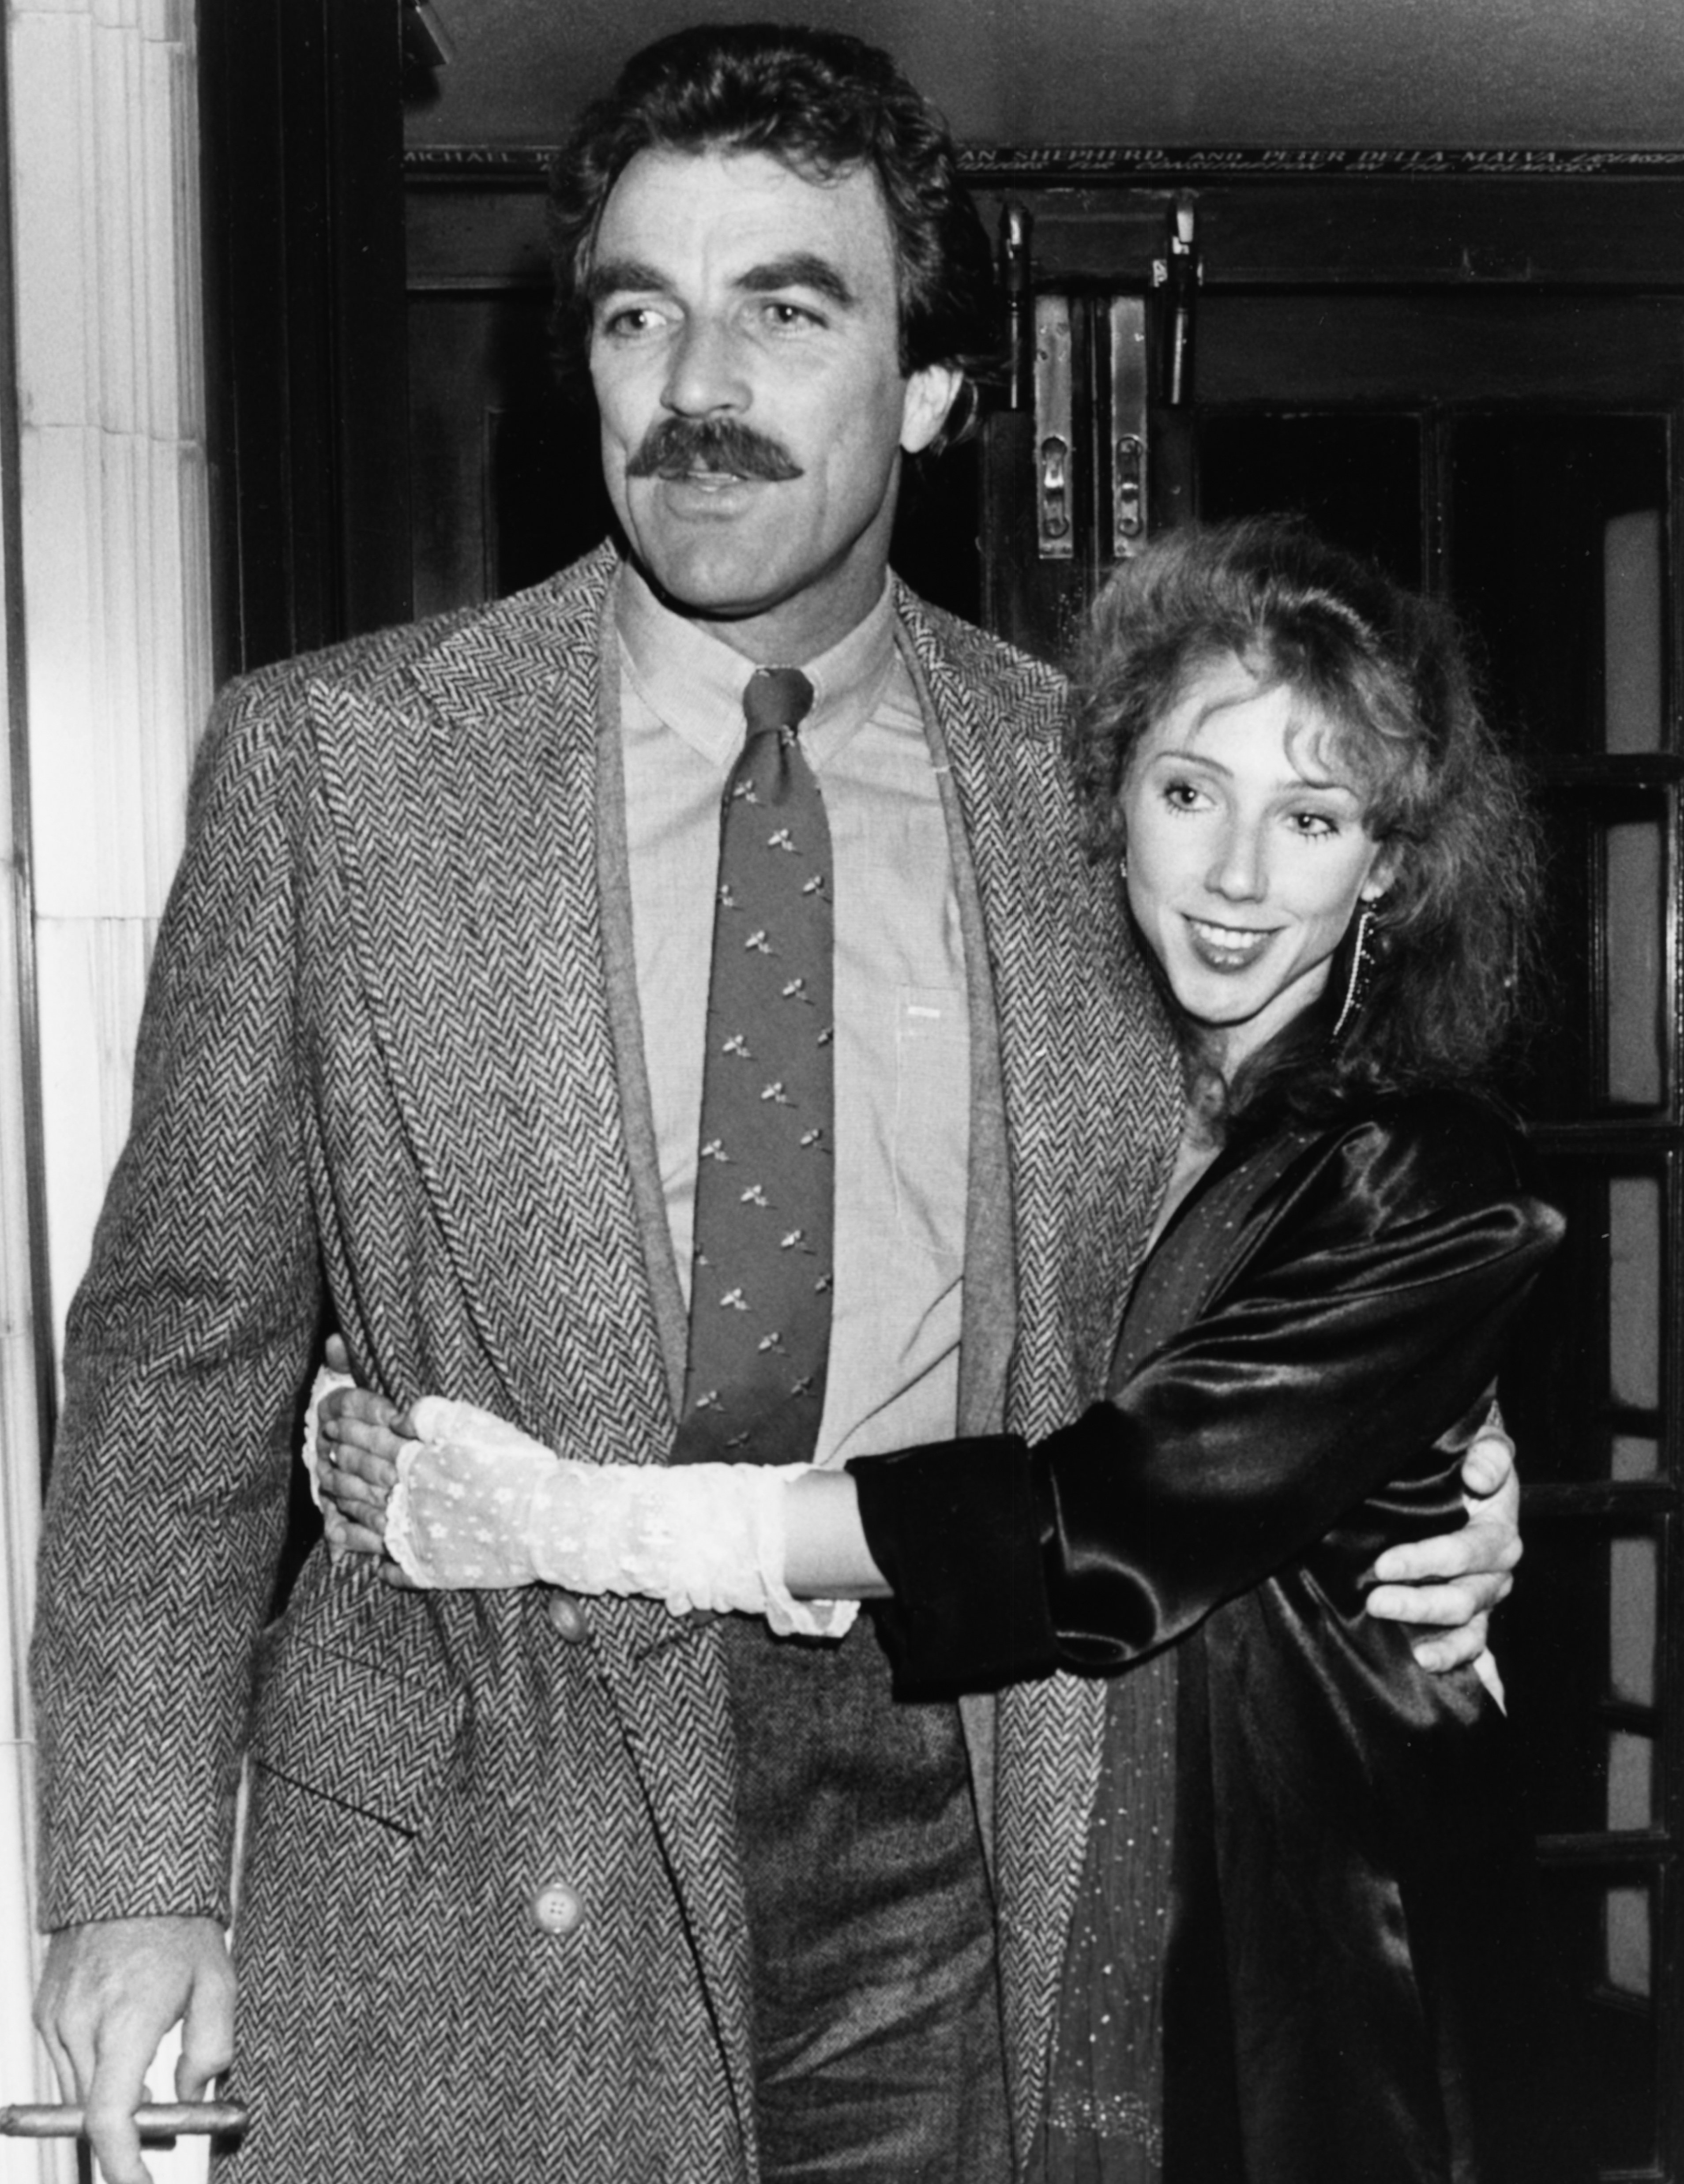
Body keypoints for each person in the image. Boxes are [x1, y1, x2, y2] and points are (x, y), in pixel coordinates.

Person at [29, 26, 1518, 2184]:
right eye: (640, 315)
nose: (693, 383)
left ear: (929, 390)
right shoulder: (338, 769)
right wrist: (134, 1865)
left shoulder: (1095, 796)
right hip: (471, 1812)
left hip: (967, 1795)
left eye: (784, 313)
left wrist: (1442, 1471)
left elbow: (1291, 1211)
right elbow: (180, 1356)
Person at [318, 518, 1566, 2183]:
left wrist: (573, 1520)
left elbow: (1097, 1514)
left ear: (1391, 867)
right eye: (1194, 794)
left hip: (1310, 1913)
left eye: (1315, 817)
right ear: (1116, 795)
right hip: (1057, 1849)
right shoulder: (1114, 1080)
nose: (1242, 878)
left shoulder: (1426, 1166)